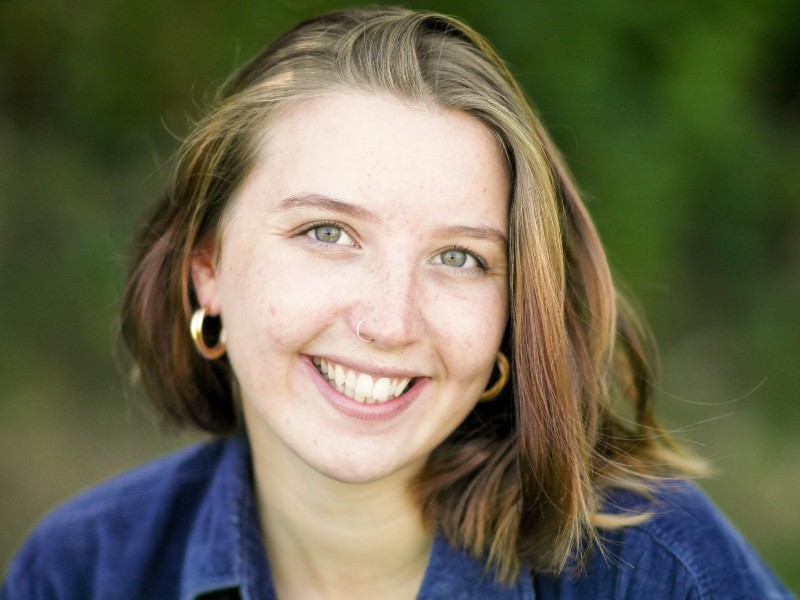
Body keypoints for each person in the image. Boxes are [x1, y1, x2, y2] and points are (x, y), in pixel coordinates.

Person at [2, 6, 792, 599]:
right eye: (326, 232)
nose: (389, 323)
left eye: (459, 257)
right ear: (206, 268)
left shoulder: (658, 571)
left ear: (513, 310)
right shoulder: (84, 570)